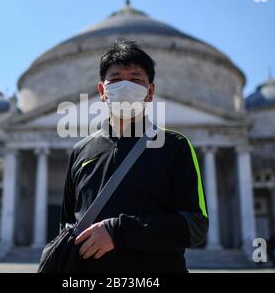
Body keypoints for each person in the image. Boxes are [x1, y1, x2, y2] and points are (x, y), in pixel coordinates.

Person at [60, 38, 209, 273]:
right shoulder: (81, 151)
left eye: (136, 79)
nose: (126, 86)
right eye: (116, 79)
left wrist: (118, 232)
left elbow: (195, 226)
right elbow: (67, 226)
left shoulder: (175, 146)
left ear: (150, 92)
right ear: (102, 91)